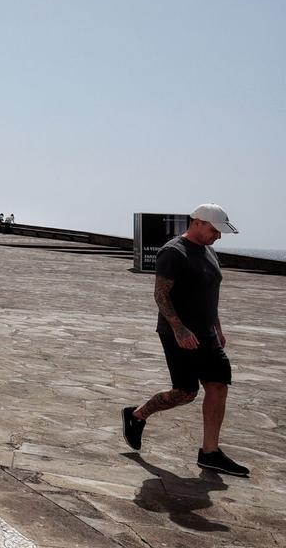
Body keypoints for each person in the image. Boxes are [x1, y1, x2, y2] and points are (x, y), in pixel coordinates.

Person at [122, 204, 249, 476]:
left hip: (206, 333)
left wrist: (218, 327)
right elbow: (160, 295)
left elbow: (209, 295)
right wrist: (179, 328)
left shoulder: (209, 252)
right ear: (197, 223)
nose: (218, 236)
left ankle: (210, 453)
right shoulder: (173, 252)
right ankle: (137, 415)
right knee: (185, 393)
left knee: (218, 384)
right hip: (178, 335)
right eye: (214, 230)